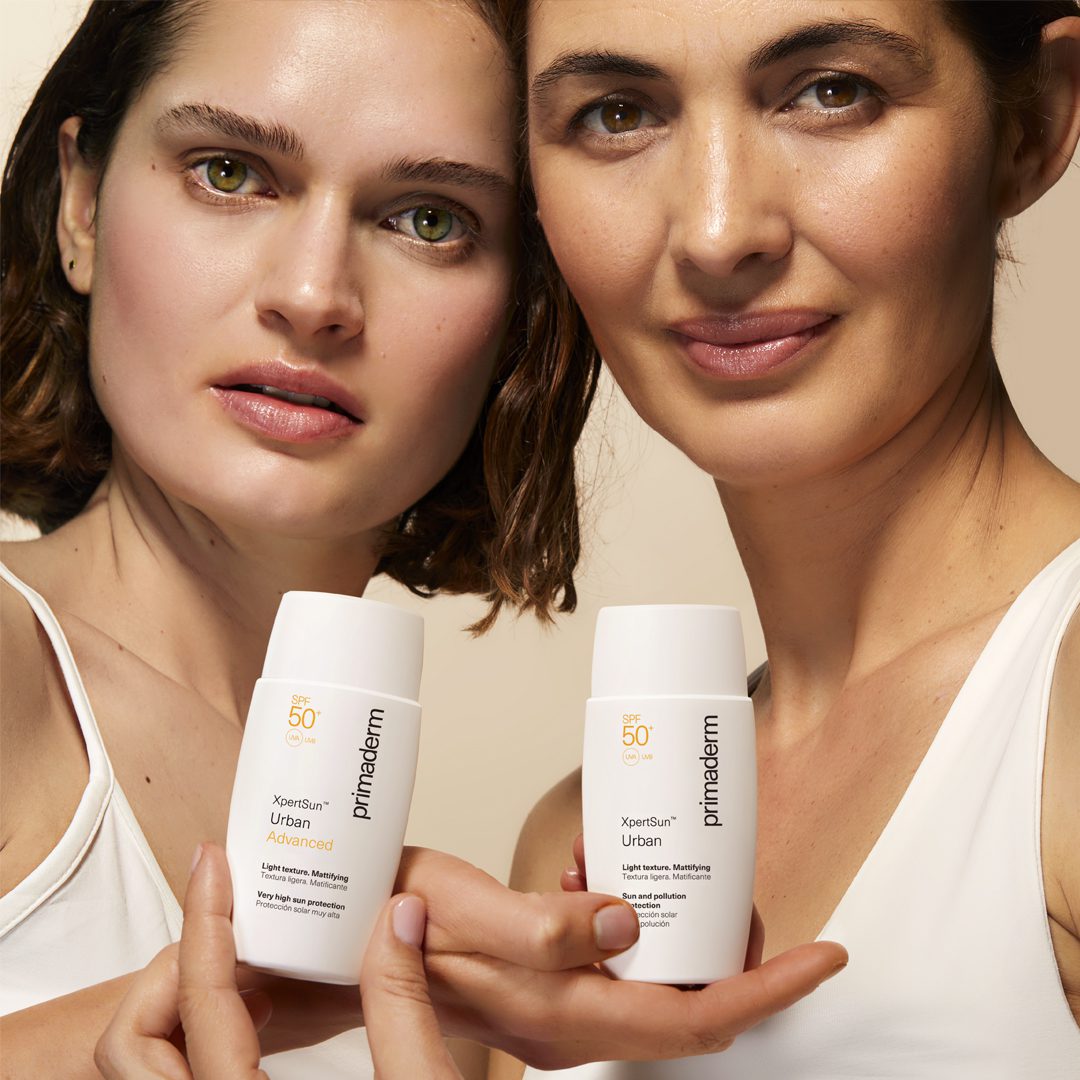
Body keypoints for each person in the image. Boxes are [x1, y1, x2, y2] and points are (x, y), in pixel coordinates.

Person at [0, 1, 846, 1076]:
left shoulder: (447, 984)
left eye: (429, 220)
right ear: (81, 204)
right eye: (229, 172)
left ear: (524, 309)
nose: (314, 297)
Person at [489, 0, 1080, 1077]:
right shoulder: (572, 845)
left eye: (831, 92)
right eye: (618, 113)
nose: (719, 231)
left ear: (1033, 121)